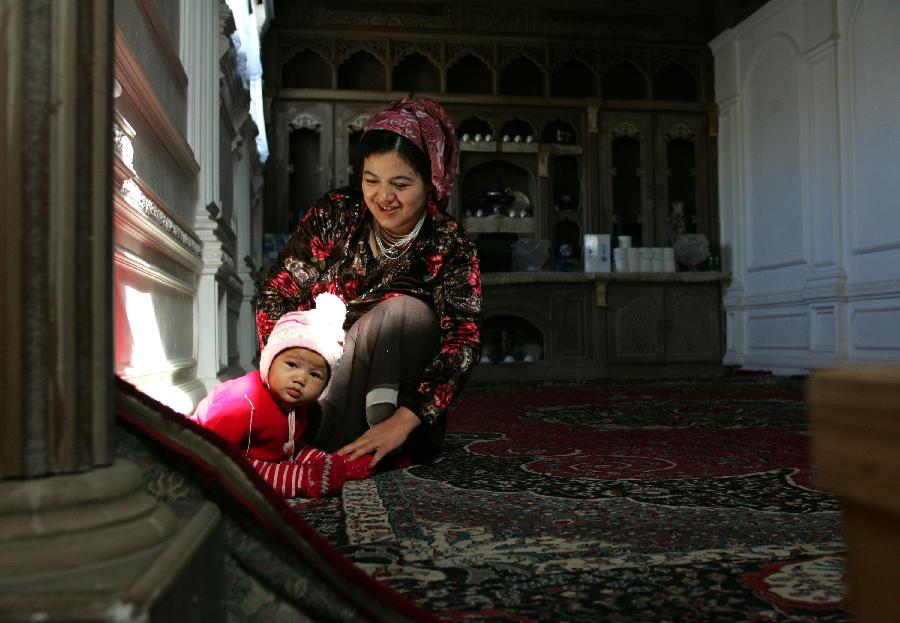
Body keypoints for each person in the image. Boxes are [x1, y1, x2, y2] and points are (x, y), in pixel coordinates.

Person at [256, 96, 482, 470]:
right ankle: (317, 432)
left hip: (403, 409)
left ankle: (382, 429)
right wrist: (290, 370)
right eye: (371, 180)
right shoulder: (334, 215)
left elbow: (464, 340)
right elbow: (278, 293)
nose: (383, 197)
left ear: (432, 183)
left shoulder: (449, 242)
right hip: (321, 381)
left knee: (406, 313)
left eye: (401, 183)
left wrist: (404, 421)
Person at [192, 293, 374, 497]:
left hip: (264, 453)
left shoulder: (296, 404)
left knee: (304, 453)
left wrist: (320, 459)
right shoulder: (240, 401)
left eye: (315, 374)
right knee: (254, 472)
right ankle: (305, 479)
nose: (300, 379)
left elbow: (286, 447)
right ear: (270, 361)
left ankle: (338, 464)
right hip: (213, 452)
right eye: (291, 365)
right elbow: (211, 454)